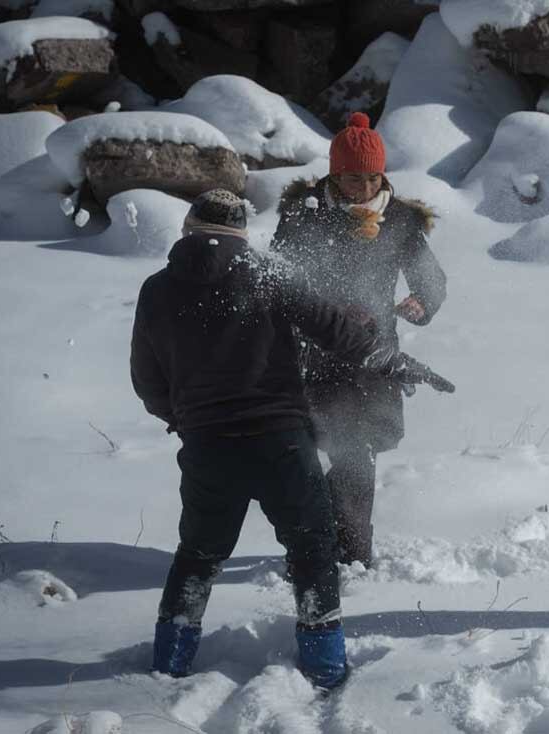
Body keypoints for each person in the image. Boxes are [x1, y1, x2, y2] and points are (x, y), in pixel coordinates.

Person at [130, 189, 391, 688]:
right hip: (282, 441)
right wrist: (382, 352)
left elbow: (146, 377)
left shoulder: (156, 289)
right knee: (312, 545)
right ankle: (325, 664)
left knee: (199, 554)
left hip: (207, 444)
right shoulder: (269, 273)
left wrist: (185, 417)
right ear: (241, 233)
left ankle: (169, 663)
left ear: (189, 227)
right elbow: (335, 330)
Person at [270, 111, 447, 568]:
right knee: (339, 449)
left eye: (371, 178)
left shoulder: (400, 220)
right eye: (351, 178)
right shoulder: (303, 217)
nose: (362, 188)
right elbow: (279, 281)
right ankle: (343, 553)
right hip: (317, 353)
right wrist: (325, 308)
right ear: (334, 173)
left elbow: (432, 280)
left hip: (377, 356)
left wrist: (421, 304)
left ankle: (337, 544)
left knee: (365, 445)